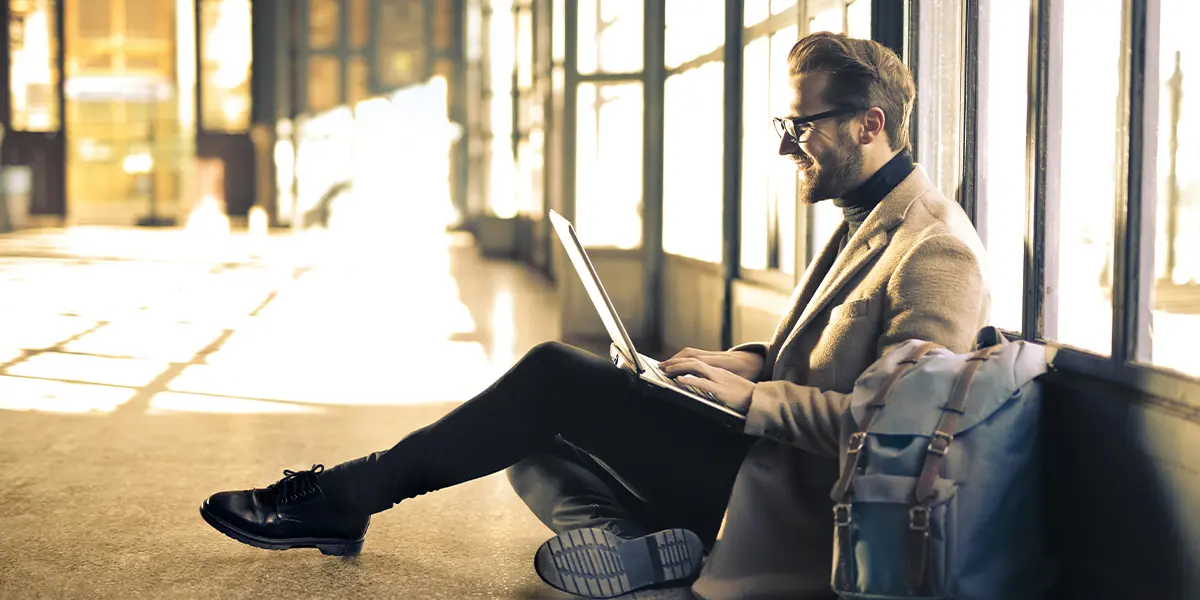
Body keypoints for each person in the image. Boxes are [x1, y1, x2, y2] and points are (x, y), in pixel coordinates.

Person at [200, 32, 989, 600]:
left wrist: (748, 401)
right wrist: (734, 364)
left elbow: (897, 431)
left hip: (792, 494)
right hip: (754, 453)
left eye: (801, 126)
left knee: (551, 376)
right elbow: (818, 351)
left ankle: (344, 498)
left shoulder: (934, 250)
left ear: (870, 123)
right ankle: (642, 551)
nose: (789, 148)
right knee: (521, 445)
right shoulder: (869, 214)